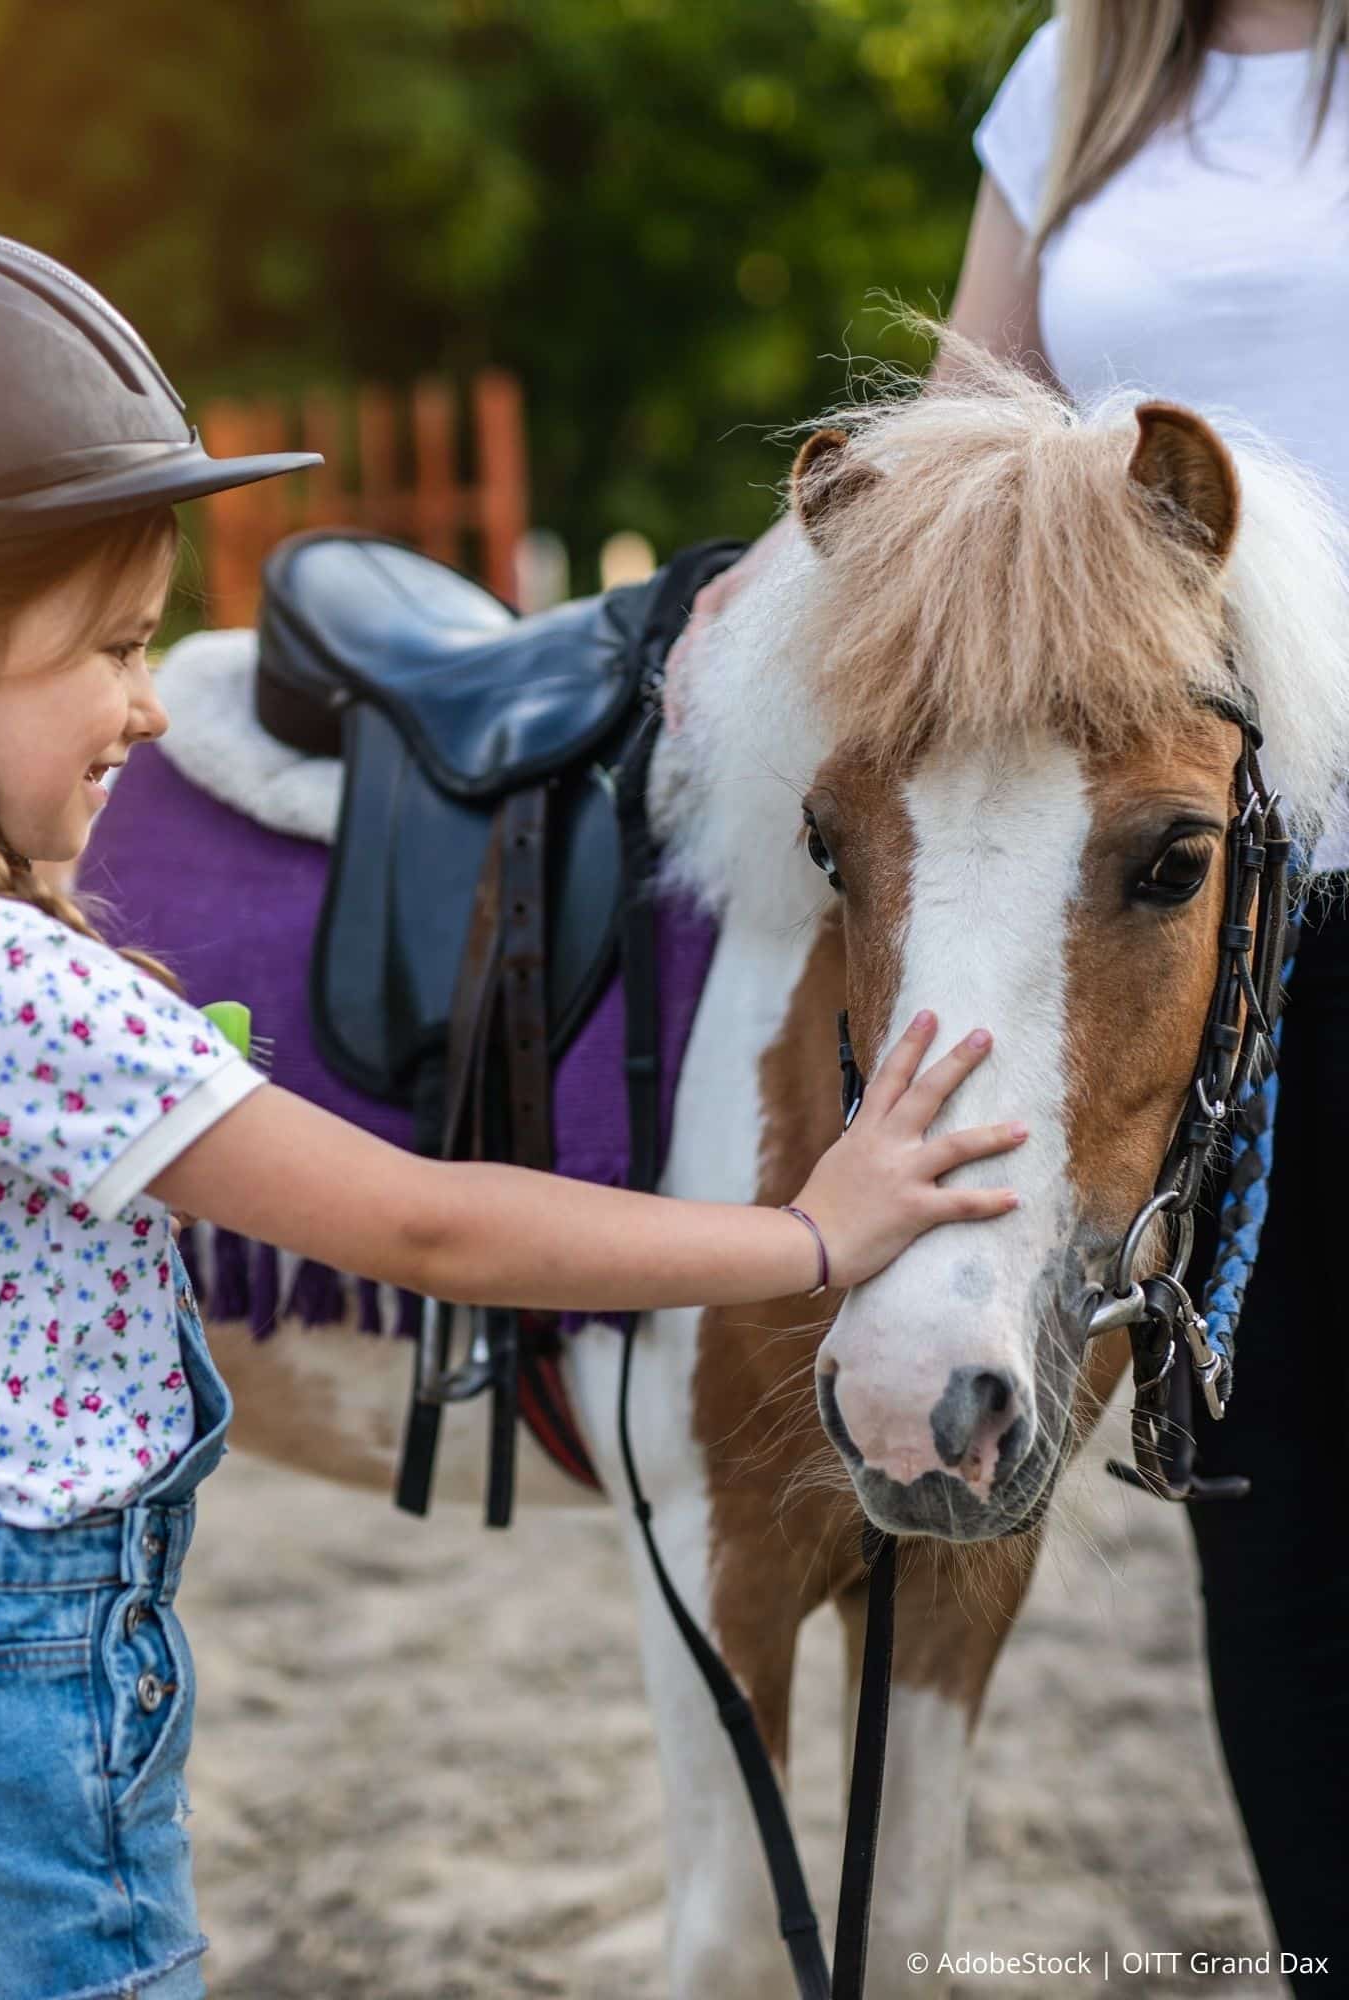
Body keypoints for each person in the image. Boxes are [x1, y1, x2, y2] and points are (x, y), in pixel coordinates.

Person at [0, 220, 1025, 2000]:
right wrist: (815, 1231)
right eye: (117, 648)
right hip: (19, 1713)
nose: (149, 705)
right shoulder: (1, 981)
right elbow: (425, 1222)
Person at [679, 3, 1349, 1979]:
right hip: (1193, 888)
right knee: (1275, 1509)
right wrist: (819, 569)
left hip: (1271, 810)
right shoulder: (1080, 63)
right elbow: (989, 400)